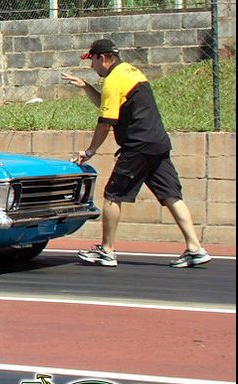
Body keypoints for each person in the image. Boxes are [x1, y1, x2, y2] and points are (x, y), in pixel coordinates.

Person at [62, 38, 210, 268]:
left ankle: (107, 251)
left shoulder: (113, 80)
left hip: (138, 145)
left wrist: (90, 151)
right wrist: (86, 87)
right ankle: (195, 248)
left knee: (112, 194)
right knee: (171, 195)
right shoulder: (131, 72)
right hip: (157, 143)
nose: (91, 66)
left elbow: (105, 122)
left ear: (102, 58)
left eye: (92, 60)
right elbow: (110, 105)